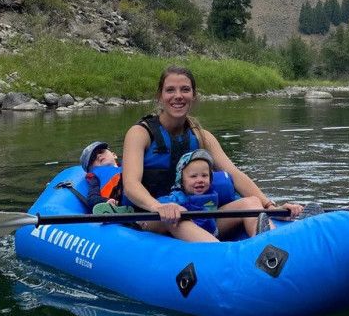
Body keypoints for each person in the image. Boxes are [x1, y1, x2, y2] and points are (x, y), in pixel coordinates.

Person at [121, 65, 303, 242]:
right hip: (151, 218)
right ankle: (223, 259)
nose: (178, 96)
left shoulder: (202, 137)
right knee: (177, 217)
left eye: (185, 89)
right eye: (170, 90)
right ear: (160, 95)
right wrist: (159, 207)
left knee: (251, 203)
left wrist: (270, 206)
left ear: (194, 95)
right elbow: (130, 184)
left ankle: (275, 252)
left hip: (198, 215)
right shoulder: (140, 134)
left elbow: (236, 175)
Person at [159, 149, 272, 237]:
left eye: (204, 175)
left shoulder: (214, 194)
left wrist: (266, 206)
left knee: (252, 201)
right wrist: (168, 207)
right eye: (193, 176)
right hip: (191, 232)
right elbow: (161, 203)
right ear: (181, 181)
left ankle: (261, 238)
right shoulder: (178, 197)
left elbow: (238, 202)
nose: (200, 180)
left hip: (215, 228)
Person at [80, 141, 125, 210]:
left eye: (101, 152)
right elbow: (92, 198)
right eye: (93, 158)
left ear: (114, 155)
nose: (98, 156)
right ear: (90, 169)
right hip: (119, 200)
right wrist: (106, 201)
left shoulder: (127, 165)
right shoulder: (96, 177)